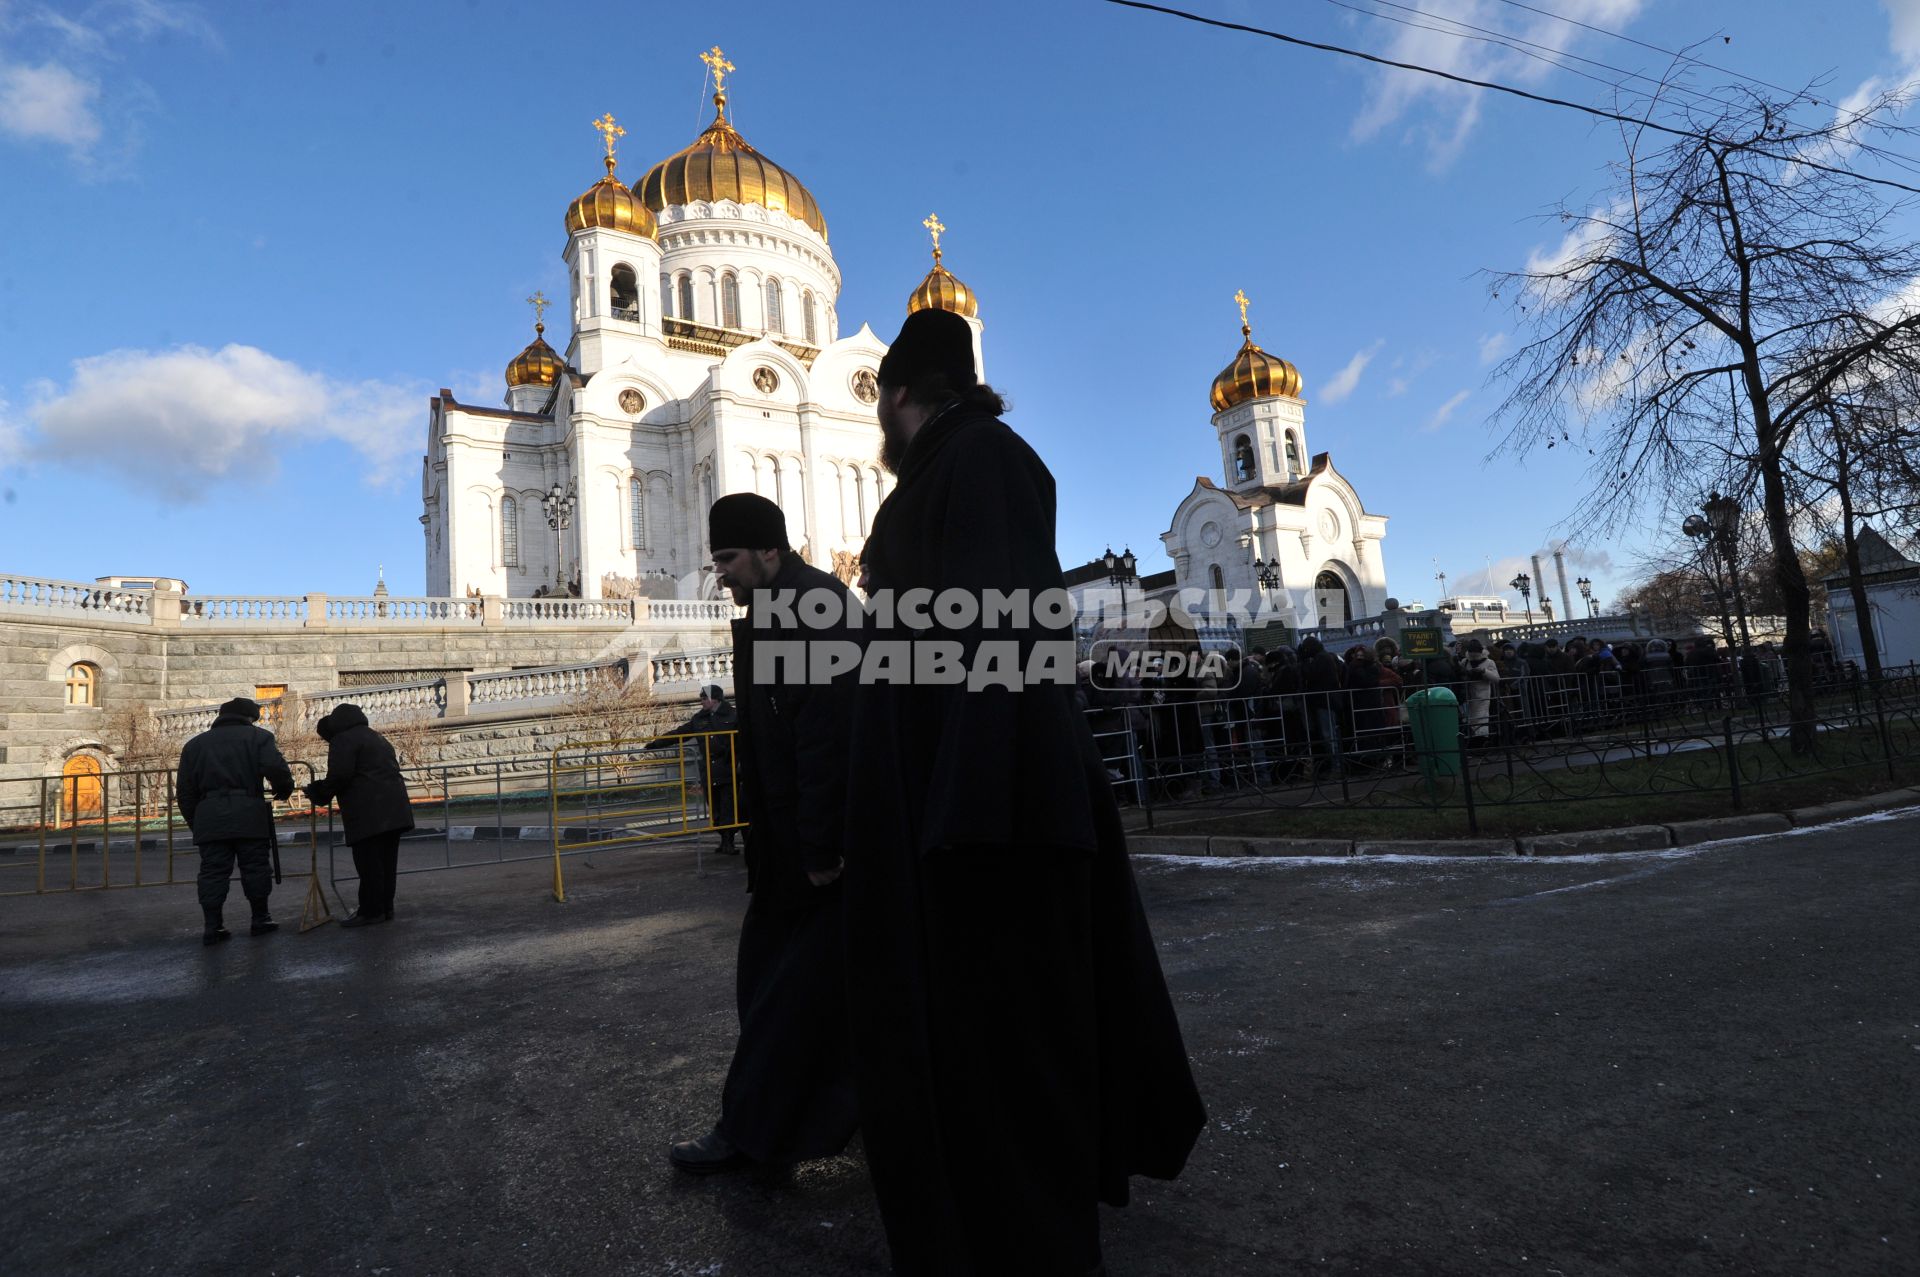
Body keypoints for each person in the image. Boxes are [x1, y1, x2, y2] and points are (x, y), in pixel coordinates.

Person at [844, 307, 1204, 1274]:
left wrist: (974, 812)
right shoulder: (937, 477)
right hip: (952, 812)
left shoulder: (986, 461)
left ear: (899, 393)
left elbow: (1004, 640)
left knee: (1013, 1057)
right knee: (967, 1059)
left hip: (991, 824)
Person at [667, 493, 859, 1176]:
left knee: (781, 998)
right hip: (788, 846)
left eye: (728, 558)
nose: (720, 573)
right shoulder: (783, 607)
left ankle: (752, 1132)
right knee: (790, 991)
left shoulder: (813, 608)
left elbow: (824, 735)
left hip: (812, 853)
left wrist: (819, 845)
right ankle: (833, 1116)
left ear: (769, 550)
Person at [175, 697, 294, 945]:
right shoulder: (259, 738)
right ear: (250, 718)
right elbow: (276, 768)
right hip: (249, 812)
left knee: (213, 873)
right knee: (255, 867)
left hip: (209, 815)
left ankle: (213, 926)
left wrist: (196, 822)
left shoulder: (194, 745)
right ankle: (260, 919)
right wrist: (284, 789)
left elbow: (185, 792)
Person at [303, 704, 415, 927]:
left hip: (368, 812)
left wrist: (318, 792)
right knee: (386, 863)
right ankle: (385, 909)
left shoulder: (343, 740)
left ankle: (371, 912)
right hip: (395, 810)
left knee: (369, 865)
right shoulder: (375, 737)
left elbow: (340, 775)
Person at [648, 684, 741, 854]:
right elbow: (680, 733)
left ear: (716, 699)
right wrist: (656, 743)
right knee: (715, 809)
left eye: (704, 698)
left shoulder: (733, 715)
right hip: (709, 772)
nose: (701, 701)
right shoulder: (699, 719)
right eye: (700, 697)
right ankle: (723, 839)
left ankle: (729, 841)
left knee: (729, 807)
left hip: (729, 770)